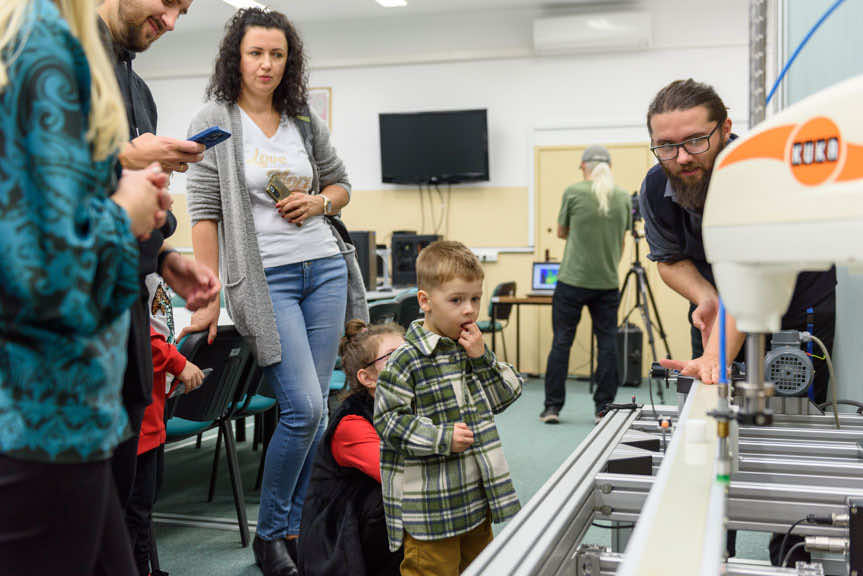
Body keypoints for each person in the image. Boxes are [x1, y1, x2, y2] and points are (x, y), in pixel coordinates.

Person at [183, 8, 366, 576]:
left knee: (314, 413)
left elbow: (341, 183)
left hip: (326, 269)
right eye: (256, 53)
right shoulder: (214, 117)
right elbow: (205, 211)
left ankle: (294, 527)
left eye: (277, 54)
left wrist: (320, 202)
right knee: (303, 407)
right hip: (267, 283)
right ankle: (271, 535)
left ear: (289, 61)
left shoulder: (302, 117)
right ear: (236, 56)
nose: (266, 64)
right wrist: (209, 292)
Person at [0, 0, 172, 573]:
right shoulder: (44, 43)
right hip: (43, 408)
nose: (172, 19)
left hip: (63, 406)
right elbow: (50, 269)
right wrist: (127, 209)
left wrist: (151, 238)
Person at [638, 78, 836, 565]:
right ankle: (710, 551)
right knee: (708, 415)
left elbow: (754, 273)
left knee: (794, 431)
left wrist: (714, 357)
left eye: (695, 141)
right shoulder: (654, 185)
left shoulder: (763, 172)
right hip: (719, 314)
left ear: (726, 129)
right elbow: (667, 258)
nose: (682, 156)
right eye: (666, 145)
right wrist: (704, 298)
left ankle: (791, 554)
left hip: (796, 305)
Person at [96, 0, 221, 514]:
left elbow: (121, 196)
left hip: (126, 314)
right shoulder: (61, 64)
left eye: (182, 13)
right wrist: (125, 157)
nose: (170, 22)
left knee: (122, 498)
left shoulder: (138, 92)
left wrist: (166, 256)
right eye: (167, 2)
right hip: (70, 319)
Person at [374, 240, 523, 576]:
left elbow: (506, 395)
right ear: (425, 301)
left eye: (474, 299)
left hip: (474, 499)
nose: (469, 310)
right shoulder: (406, 360)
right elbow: (388, 422)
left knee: (481, 568)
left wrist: (483, 359)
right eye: (456, 300)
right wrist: (440, 438)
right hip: (432, 511)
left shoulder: (470, 348)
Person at [299, 320, 406, 576]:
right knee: (397, 497)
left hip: (362, 519)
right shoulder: (351, 424)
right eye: (394, 358)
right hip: (334, 542)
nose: (408, 363)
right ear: (368, 378)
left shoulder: (407, 403)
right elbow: (397, 475)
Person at [540, 145, 632, 425]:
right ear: (609, 168)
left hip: (572, 281)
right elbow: (622, 238)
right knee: (607, 344)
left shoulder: (574, 192)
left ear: (584, 167)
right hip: (606, 282)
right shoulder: (623, 197)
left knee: (561, 342)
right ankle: (603, 408)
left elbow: (561, 232)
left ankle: (552, 408)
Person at [125, 274, 206, 576]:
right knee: (134, 509)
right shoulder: (130, 265)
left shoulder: (154, 268)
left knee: (145, 503)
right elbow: (136, 333)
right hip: (137, 415)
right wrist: (176, 362)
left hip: (154, 407)